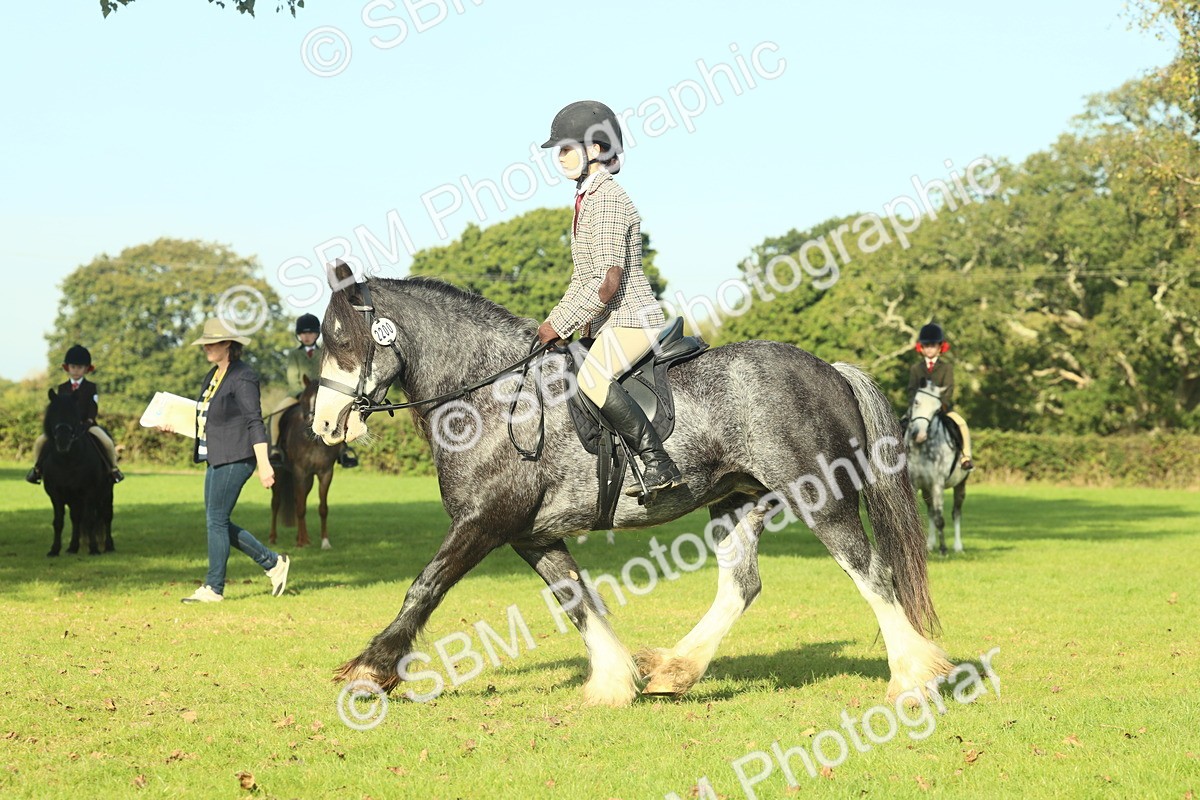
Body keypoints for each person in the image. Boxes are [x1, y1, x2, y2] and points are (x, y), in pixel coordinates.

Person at [537, 99, 683, 499]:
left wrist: (560, 325)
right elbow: (580, 280)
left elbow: (605, 283)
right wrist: (553, 323)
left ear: (596, 150)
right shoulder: (587, 198)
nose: (560, 157)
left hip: (632, 318)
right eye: (559, 150)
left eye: (566, 148)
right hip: (609, 321)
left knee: (592, 377)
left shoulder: (608, 198)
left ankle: (658, 463)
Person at [166, 318, 290, 603]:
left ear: (229, 345)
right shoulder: (213, 374)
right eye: (206, 343)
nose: (207, 347)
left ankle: (213, 588)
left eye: (213, 343)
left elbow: (254, 420)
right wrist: (172, 423)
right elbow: (206, 418)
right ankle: (273, 563)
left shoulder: (243, 376)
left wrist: (264, 463)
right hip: (215, 456)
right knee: (217, 521)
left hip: (237, 457)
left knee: (216, 520)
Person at [267, 314, 357, 468]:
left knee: (343, 413)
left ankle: (344, 449)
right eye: (303, 333)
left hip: (323, 397)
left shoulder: (325, 354)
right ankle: (275, 448)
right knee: (275, 415)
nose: (307, 336)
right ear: (298, 335)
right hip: (298, 396)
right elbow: (292, 379)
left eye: (310, 333)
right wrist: (304, 393)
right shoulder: (294, 355)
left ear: (317, 334)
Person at [26, 344, 124, 484]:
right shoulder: (62, 388)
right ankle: (37, 470)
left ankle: (113, 469)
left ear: (86, 369)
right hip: (65, 427)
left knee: (107, 442)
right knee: (40, 441)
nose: (76, 370)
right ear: (68, 368)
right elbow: (59, 409)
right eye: (73, 367)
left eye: (80, 367)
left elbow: (93, 407)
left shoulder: (90, 387)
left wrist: (89, 421)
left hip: (87, 425)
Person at [907, 322, 974, 471]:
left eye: (933, 345)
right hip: (919, 410)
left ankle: (965, 457)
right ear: (921, 348)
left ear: (940, 347)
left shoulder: (946, 368)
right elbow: (911, 390)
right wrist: (915, 405)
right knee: (900, 425)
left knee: (961, 423)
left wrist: (942, 404)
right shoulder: (916, 369)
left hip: (942, 408)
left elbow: (949, 388)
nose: (930, 348)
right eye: (927, 345)